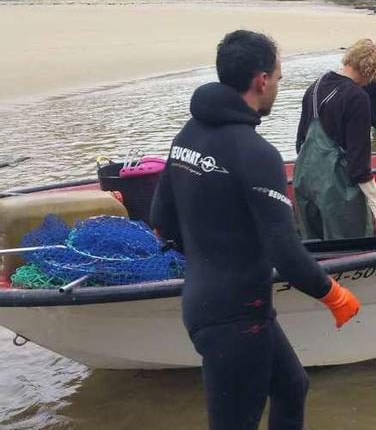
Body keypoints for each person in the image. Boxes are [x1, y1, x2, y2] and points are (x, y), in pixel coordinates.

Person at [151, 30, 361, 430]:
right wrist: (332, 294)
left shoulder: (187, 136)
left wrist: (212, 252)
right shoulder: (256, 153)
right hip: (235, 317)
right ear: (261, 80)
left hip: (208, 300)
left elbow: (162, 218)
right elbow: (285, 249)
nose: (278, 87)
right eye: (279, 78)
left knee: (291, 386)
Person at [294, 38, 376, 240]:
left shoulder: (313, 88)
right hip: (338, 191)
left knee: (315, 248)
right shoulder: (357, 97)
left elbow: (300, 142)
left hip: (304, 182)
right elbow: (358, 160)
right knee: (349, 249)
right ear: (371, 71)